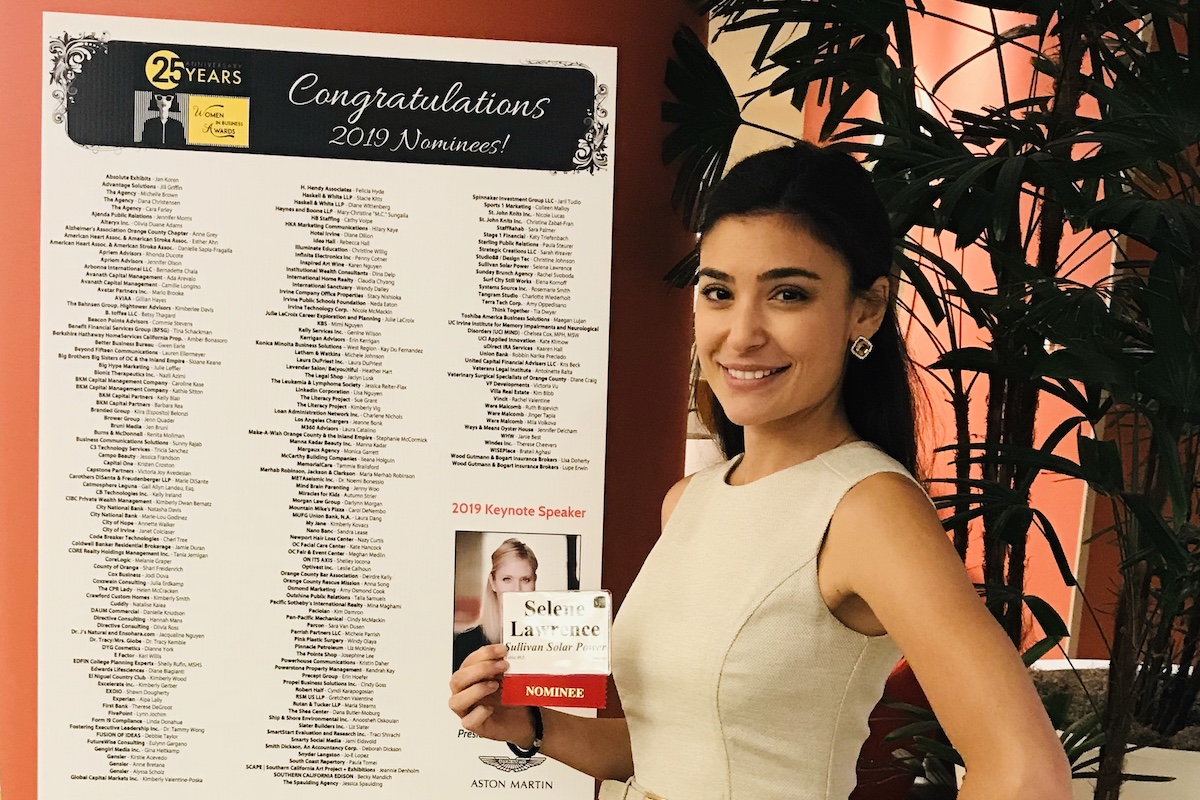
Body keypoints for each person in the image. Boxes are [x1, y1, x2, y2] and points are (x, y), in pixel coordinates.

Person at [449, 143, 1072, 800]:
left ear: (865, 308)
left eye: (788, 294)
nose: (741, 333)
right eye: (718, 291)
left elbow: (1026, 773)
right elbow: (664, 745)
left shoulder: (867, 509)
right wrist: (531, 725)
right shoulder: (689, 500)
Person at [452, 538, 538, 672]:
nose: (517, 589)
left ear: (534, 583)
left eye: (525, 580)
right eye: (507, 579)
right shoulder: (466, 643)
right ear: (493, 582)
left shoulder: (547, 641)